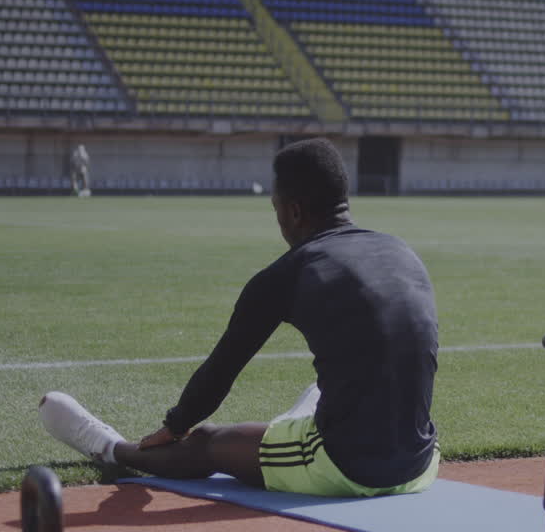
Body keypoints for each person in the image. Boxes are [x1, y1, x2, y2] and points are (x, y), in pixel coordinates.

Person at [40, 138, 440, 497]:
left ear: (294, 210)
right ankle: (292, 430)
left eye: (277, 209)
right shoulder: (401, 251)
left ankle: (110, 447)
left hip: (351, 468)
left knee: (209, 443)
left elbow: (219, 374)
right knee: (337, 380)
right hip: (424, 460)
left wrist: (177, 426)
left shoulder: (289, 272)